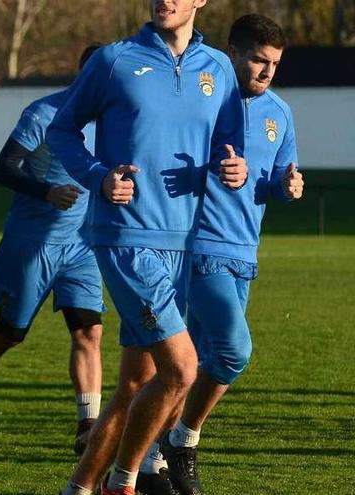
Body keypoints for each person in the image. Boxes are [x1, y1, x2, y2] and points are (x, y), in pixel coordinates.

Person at [47, 1, 248, 494]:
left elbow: (230, 147)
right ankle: (124, 481)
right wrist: (98, 177)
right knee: (182, 368)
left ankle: (79, 488)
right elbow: (62, 130)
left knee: (137, 385)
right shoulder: (115, 59)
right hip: (126, 237)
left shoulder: (219, 68)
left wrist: (235, 170)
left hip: (184, 242)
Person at [151, 14, 303, 495]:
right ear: (233, 54)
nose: (267, 72)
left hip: (244, 252)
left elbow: (277, 178)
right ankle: (184, 441)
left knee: (188, 366)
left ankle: (149, 456)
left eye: (274, 63)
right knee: (235, 352)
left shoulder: (280, 112)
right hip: (199, 246)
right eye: (259, 60)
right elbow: (162, 154)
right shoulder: (202, 98)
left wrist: (287, 186)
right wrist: (206, 171)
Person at [0, 44, 104, 456]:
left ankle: (88, 427)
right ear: (85, 77)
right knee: (11, 332)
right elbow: (5, 167)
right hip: (32, 242)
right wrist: (47, 192)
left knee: (89, 331)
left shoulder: (117, 123)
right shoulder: (45, 113)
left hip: (82, 246)